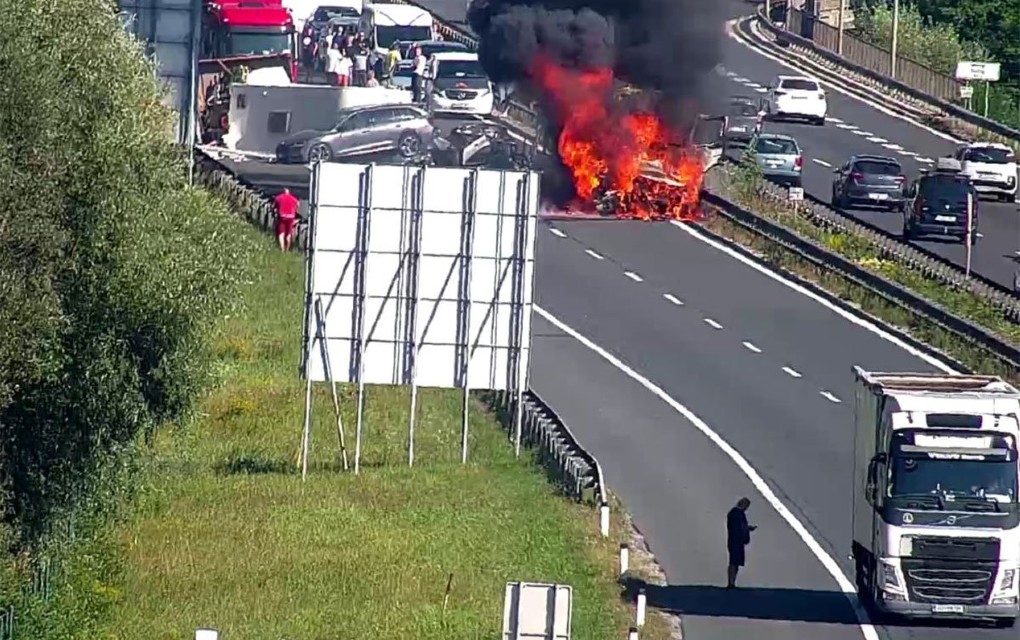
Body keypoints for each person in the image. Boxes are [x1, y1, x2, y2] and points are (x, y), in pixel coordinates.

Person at [726, 497, 756, 588]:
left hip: (736, 540)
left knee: (736, 562)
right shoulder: (736, 513)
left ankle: (732, 582)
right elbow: (739, 526)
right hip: (735, 540)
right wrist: (747, 529)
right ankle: (731, 582)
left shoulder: (735, 513)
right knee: (734, 562)